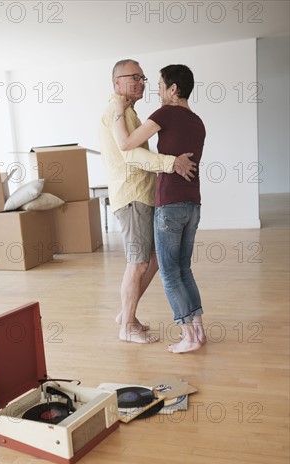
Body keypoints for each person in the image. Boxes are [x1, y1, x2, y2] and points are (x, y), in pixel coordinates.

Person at [99, 59, 197, 344]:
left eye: (144, 78)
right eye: (135, 78)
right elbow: (129, 152)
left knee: (152, 260)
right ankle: (126, 325)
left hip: (143, 195)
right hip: (132, 197)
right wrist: (171, 164)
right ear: (117, 82)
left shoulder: (127, 112)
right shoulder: (116, 111)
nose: (142, 83)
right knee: (138, 263)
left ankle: (126, 315)